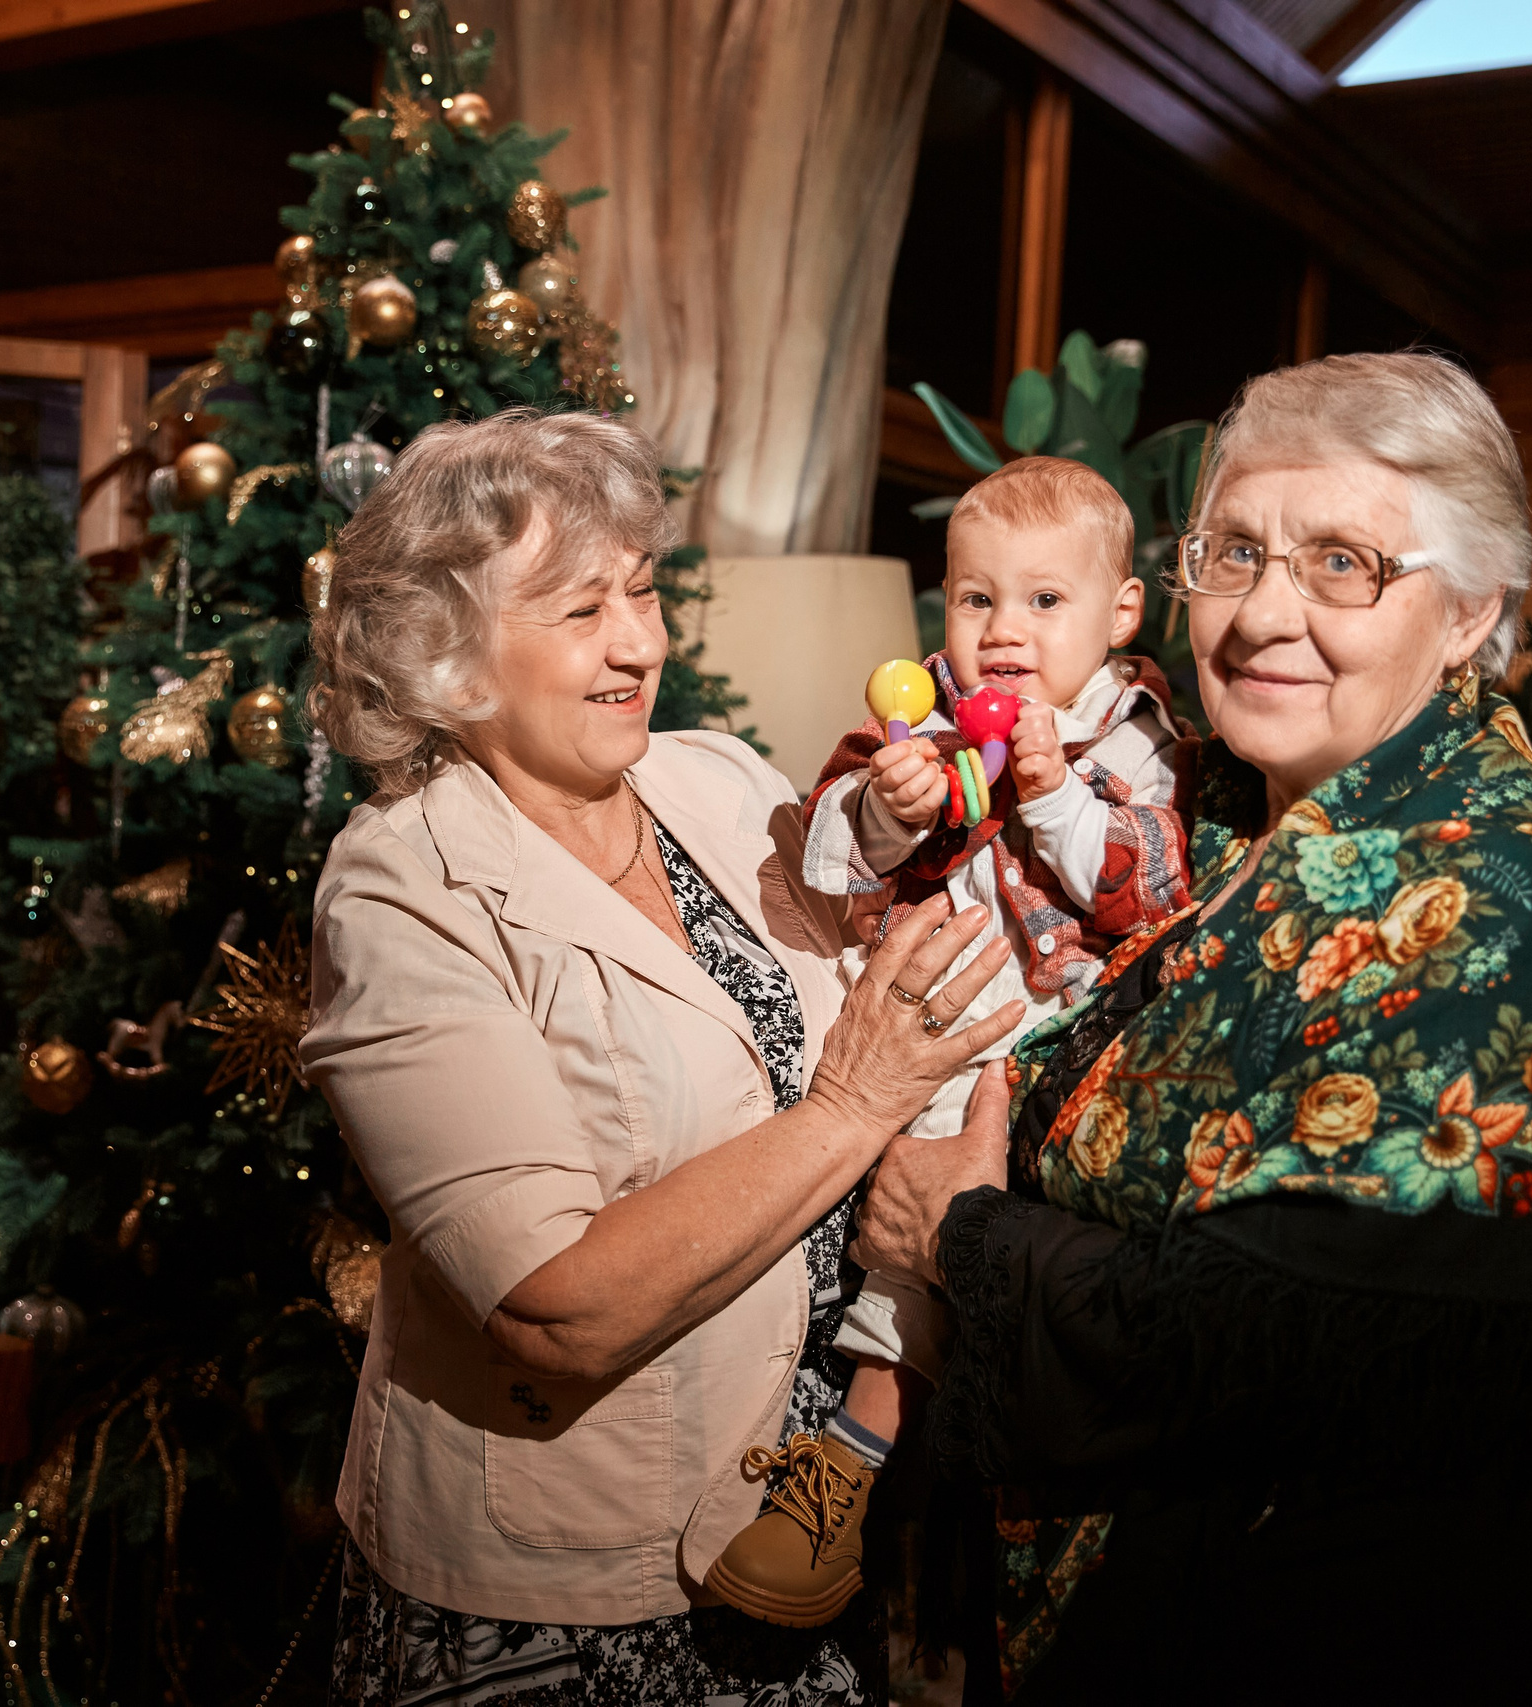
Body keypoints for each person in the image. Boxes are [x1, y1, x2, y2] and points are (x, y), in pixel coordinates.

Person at [850, 352, 1532, 1703]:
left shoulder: (1483, 880)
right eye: (1234, 551)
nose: (1259, 617)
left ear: (1472, 609)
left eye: (1345, 563)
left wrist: (953, 1234)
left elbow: (1291, 1331)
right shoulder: (1231, 813)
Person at [298, 406, 1027, 1703]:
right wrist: (857, 1106)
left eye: (641, 589)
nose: (641, 641)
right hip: (569, 1593)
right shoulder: (400, 885)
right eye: (581, 611)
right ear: (450, 653)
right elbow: (550, 1309)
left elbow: (892, 953)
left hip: (804, 1519)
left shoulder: (721, 780)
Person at [707, 455, 1193, 1627]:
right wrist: (886, 807)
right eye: (977, 600)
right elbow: (819, 852)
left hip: (1069, 1042)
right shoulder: (913, 714)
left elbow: (1146, 888)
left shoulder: (1133, 737)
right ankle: (846, 1471)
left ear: (1119, 612)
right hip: (932, 1028)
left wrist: (1050, 795)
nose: (1003, 632)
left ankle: (870, 1464)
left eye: (1043, 601)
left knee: (972, 1246)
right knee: (887, 1232)